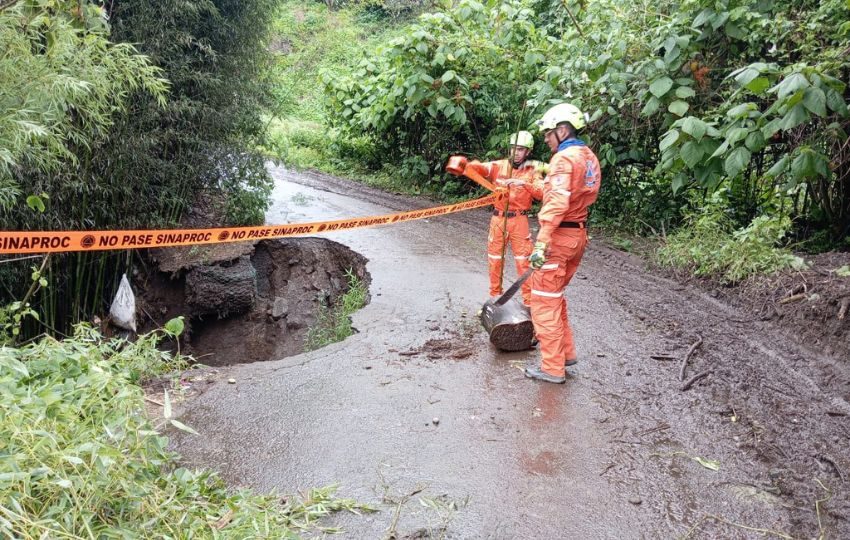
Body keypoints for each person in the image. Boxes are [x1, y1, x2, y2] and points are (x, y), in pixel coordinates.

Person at [524, 103, 601, 384]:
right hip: (577, 234)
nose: (545, 139)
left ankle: (552, 368)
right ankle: (565, 354)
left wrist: (542, 242)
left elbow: (557, 201)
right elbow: (575, 191)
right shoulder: (588, 156)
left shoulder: (563, 159)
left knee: (543, 301)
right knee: (555, 298)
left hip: (558, 237)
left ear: (563, 130)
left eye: (548, 133)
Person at [446, 132, 543, 305]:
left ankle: (529, 304)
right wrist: (466, 165)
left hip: (519, 221)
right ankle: (494, 301)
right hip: (498, 220)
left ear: (528, 151)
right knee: (495, 260)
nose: (516, 153)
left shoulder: (532, 171)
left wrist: (524, 184)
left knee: (523, 263)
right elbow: (482, 168)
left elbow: (542, 192)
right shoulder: (499, 165)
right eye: (513, 149)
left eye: (520, 149)